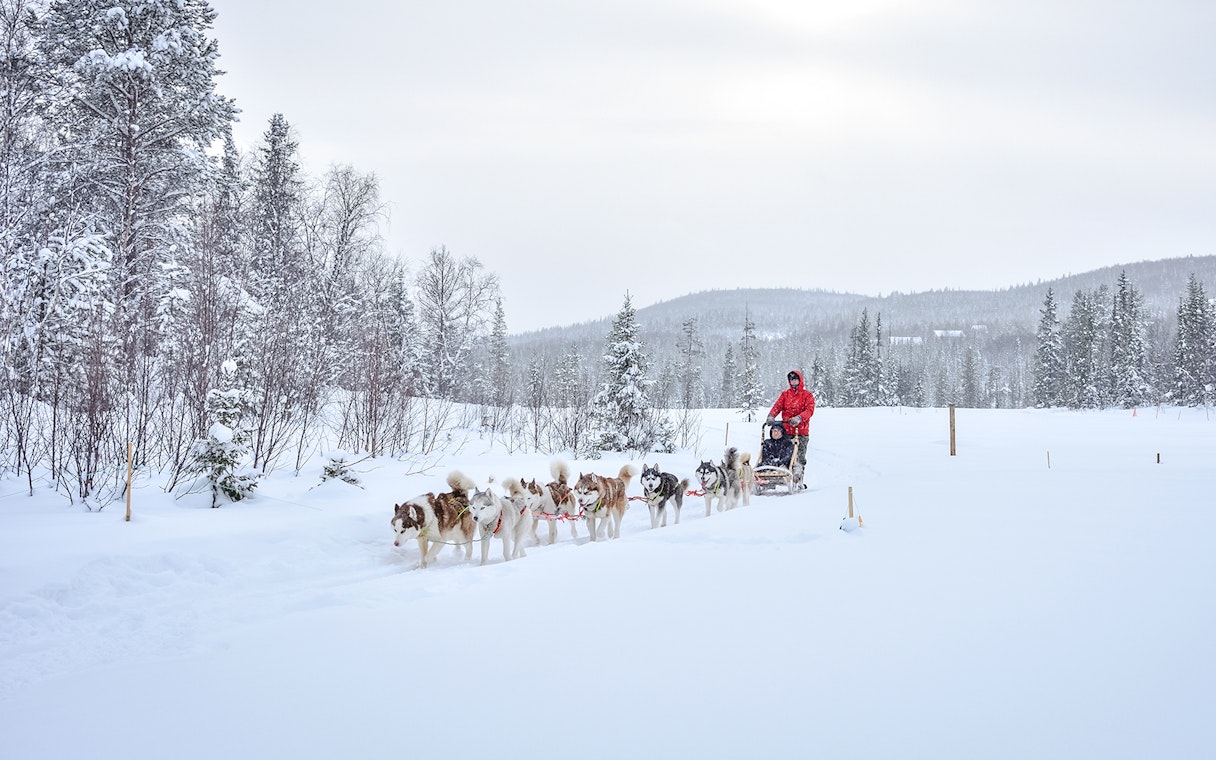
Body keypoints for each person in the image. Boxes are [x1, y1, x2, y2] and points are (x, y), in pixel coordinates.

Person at [766, 369, 815, 488]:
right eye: (791, 379)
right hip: (786, 431)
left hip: (801, 431)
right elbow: (777, 406)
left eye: (795, 379)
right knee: (785, 454)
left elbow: (809, 410)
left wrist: (799, 418)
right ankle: (780, 474)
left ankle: (799, 479)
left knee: (799, 456)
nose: (793, 381)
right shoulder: (785, 395)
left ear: (800, 380)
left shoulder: (807, 395)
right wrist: (771, 416)